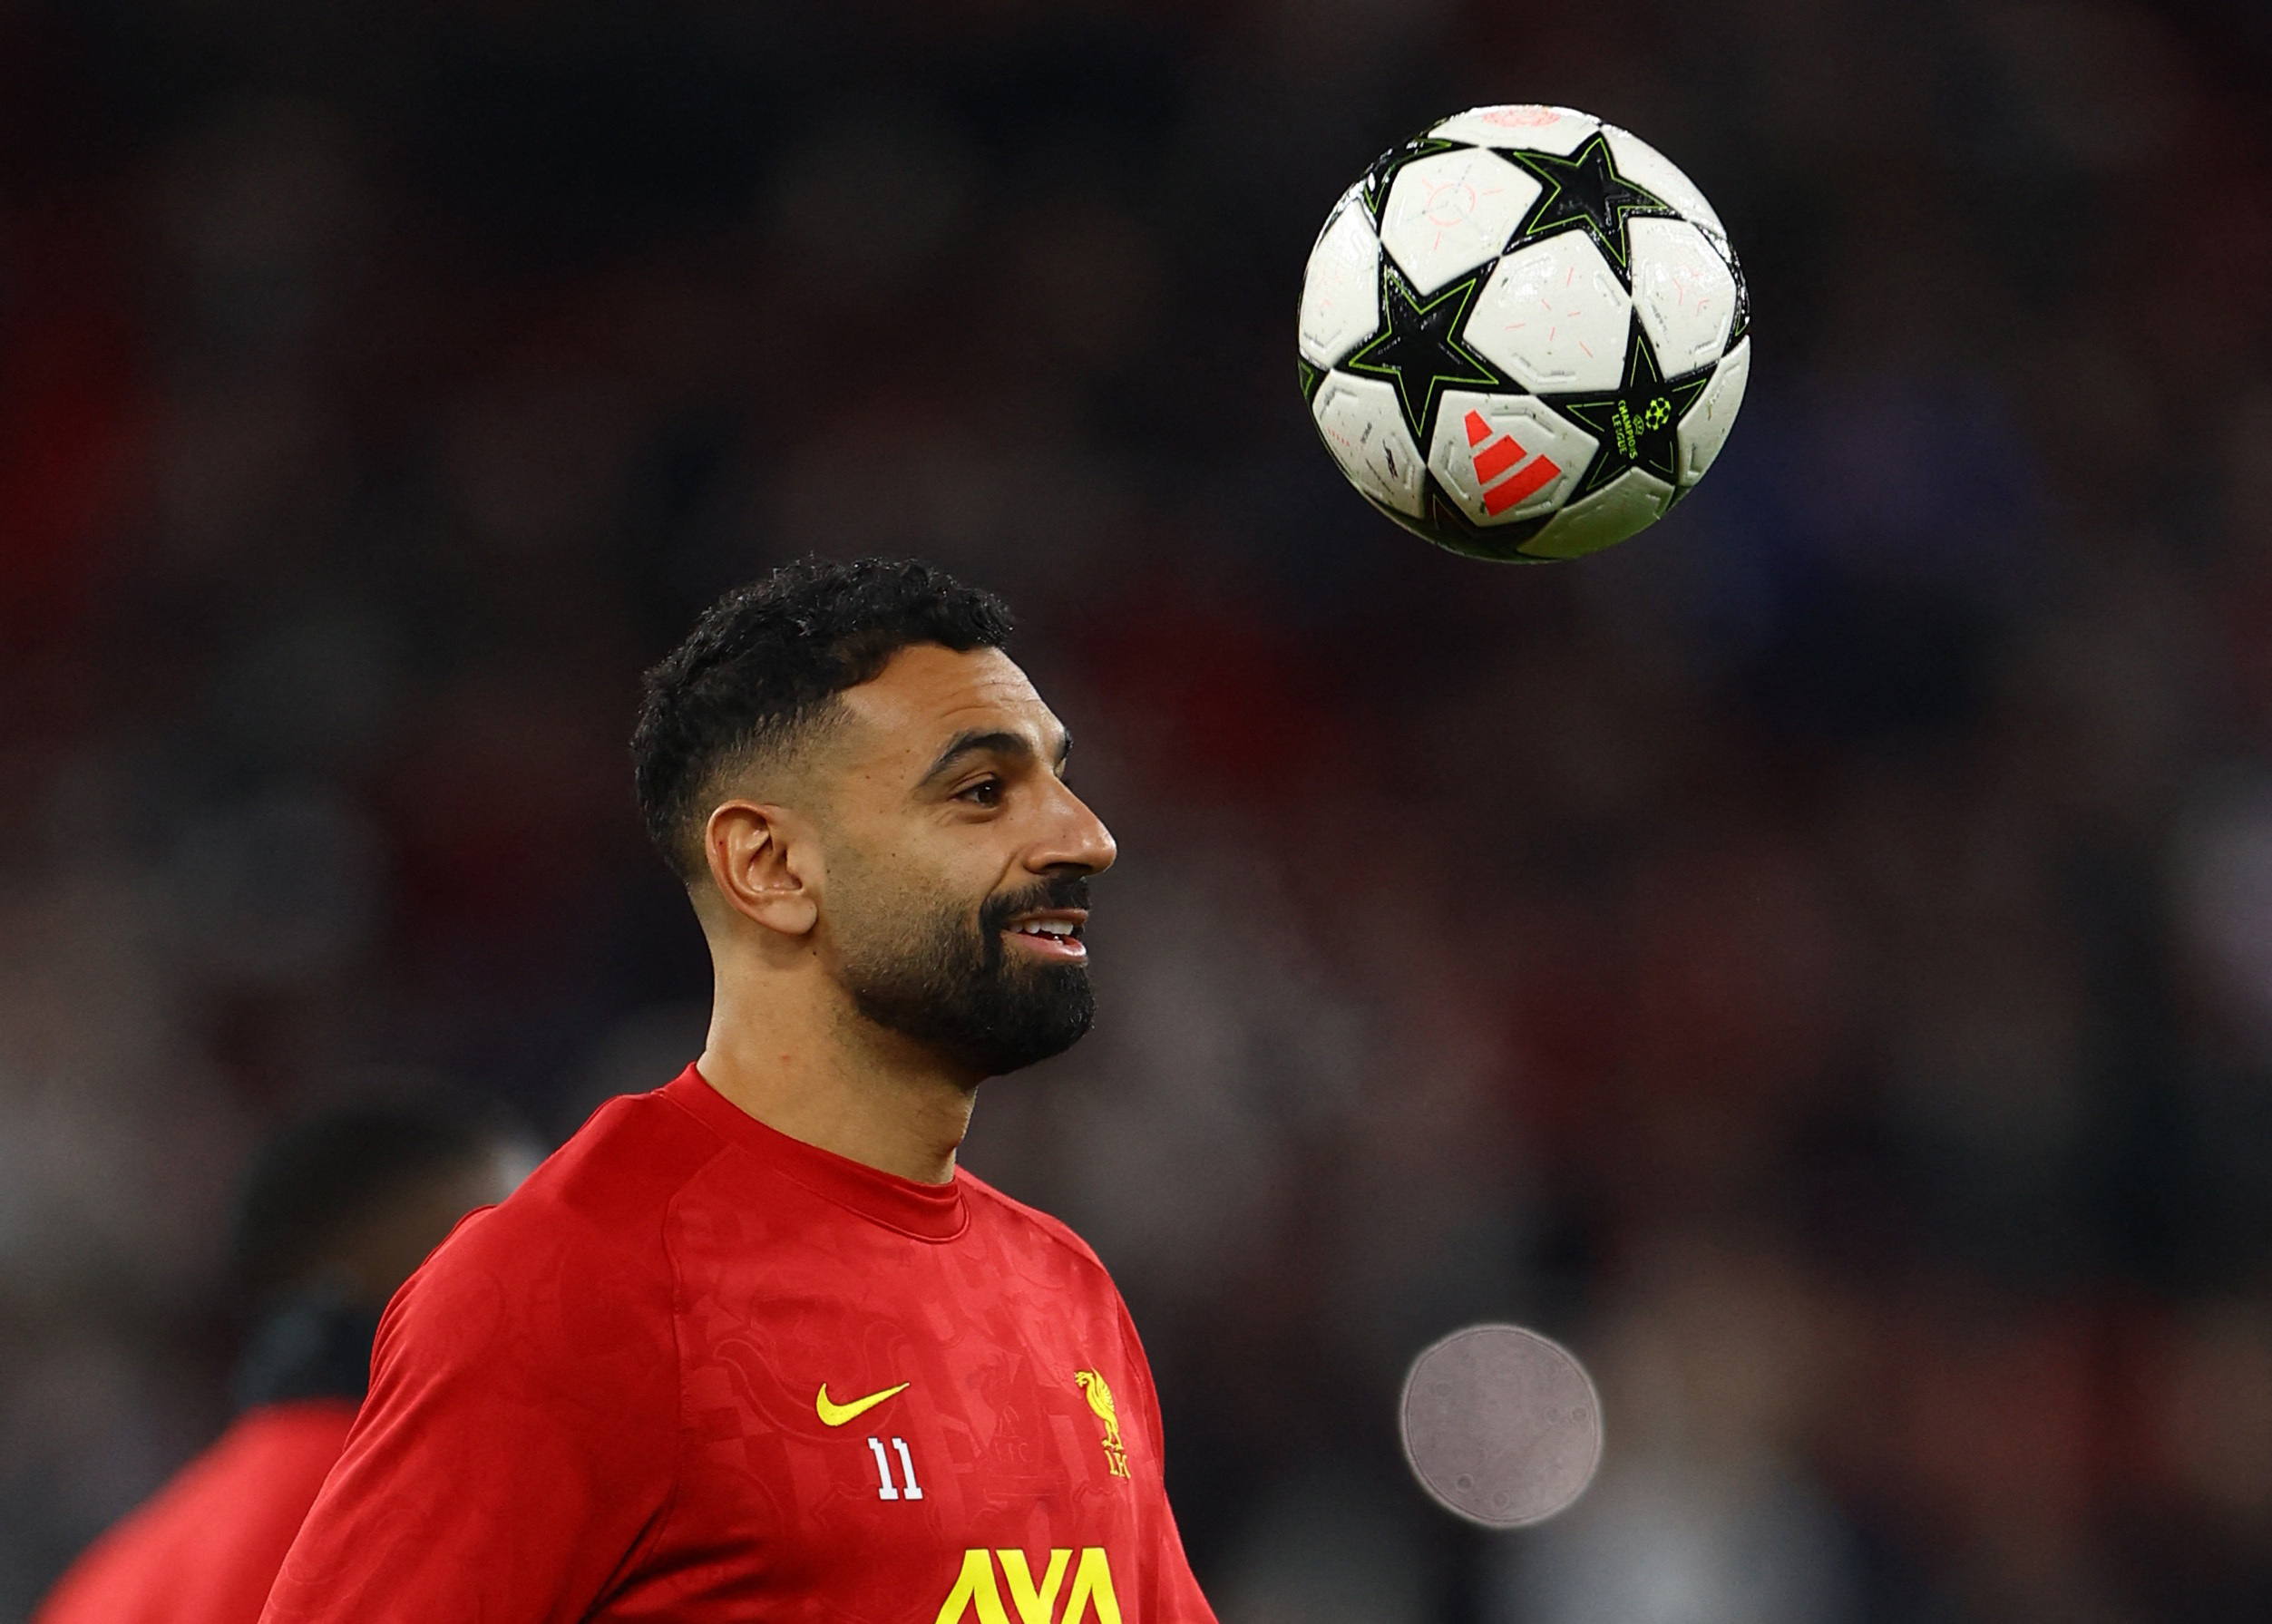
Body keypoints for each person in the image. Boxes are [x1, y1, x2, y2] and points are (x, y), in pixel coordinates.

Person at [262, 557, 1217, 1623]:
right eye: (984, 792)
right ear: (768, 864)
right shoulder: (574, 1290)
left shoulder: (1065, 1293)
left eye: (1060, 776)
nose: (1087, 837)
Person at [34, 1097, 531, 1624]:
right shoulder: (464, 1518)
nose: (549, 1264)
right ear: (375, 1260)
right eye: (509, 1232)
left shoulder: (105, 1579)